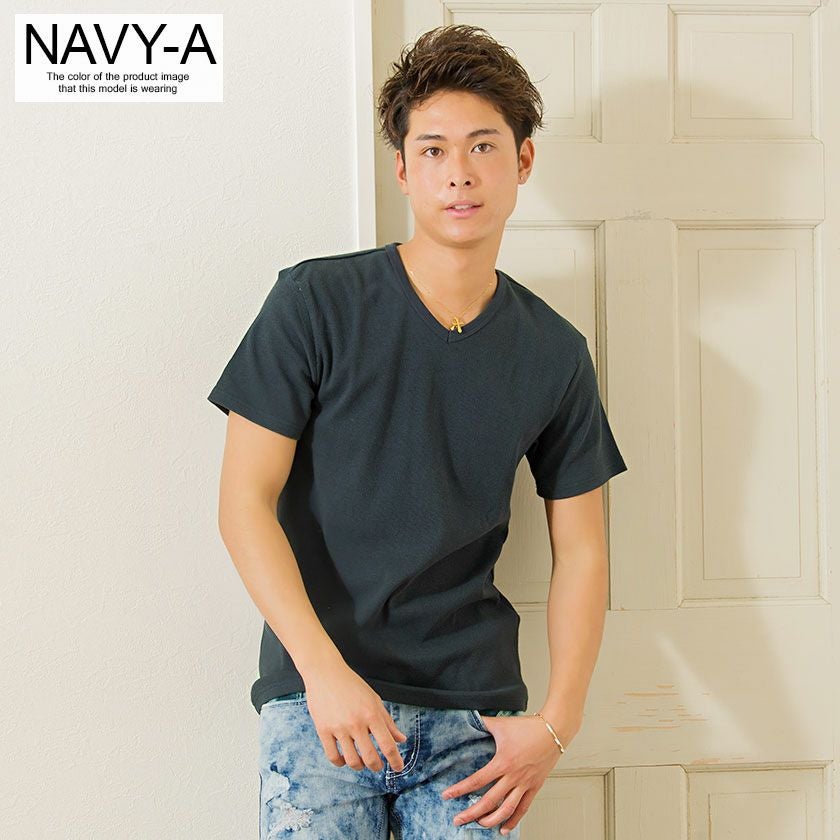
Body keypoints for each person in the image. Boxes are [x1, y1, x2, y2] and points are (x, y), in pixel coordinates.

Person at [208, 23, 628, 840]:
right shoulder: (315, 304)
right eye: (433, 150)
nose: (459, 173)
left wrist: (557, 724)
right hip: (323, 707)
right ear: (402, 169)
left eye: (483, 146)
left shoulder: (553, 351)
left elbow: (583, 549)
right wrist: (322, 672)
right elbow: (243, 502)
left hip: (475, 723)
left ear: (523, 161)